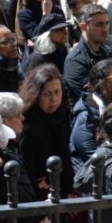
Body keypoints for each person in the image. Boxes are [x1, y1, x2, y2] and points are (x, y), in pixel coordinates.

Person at [20, 64, 72, 195]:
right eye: (46, 94)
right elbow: (29, 170)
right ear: (36, 95)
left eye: (57, 92)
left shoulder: (61, 115)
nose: (53, 99)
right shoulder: (28, 128)